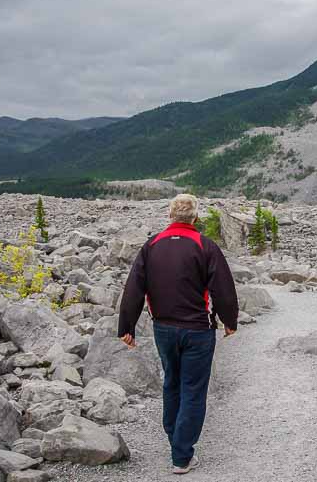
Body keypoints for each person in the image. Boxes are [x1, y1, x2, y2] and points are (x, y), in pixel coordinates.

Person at [118, 193, 238, 474]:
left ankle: (176, 438)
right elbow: (222, 287)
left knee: (171, 382)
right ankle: (182, 455)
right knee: (193, 389)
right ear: (195, 218)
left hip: (163, 328)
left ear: (170, 216)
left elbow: (134, 287)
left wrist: (127, 327)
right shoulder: (205, 246)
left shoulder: (152, 246)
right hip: (198, 330)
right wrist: (229, 320)